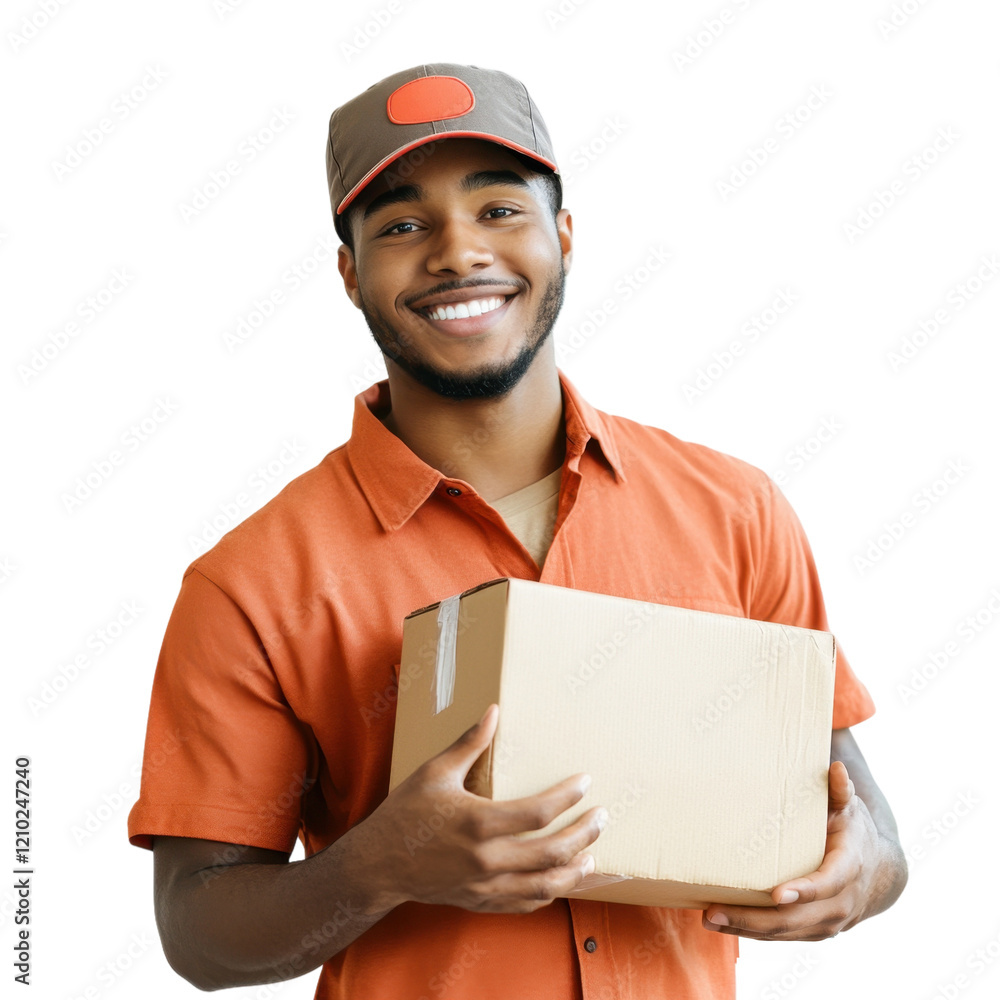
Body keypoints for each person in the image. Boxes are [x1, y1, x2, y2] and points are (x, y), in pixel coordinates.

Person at [127, 63, 907, 999]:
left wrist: (865, 871)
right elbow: (198, 933)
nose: (458, 253)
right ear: (349, 273)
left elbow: (863, 817)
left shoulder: (734, 511)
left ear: (564, 238)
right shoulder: (250, 584)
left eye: (499, 209)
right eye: (404, 226)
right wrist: (378, 867)